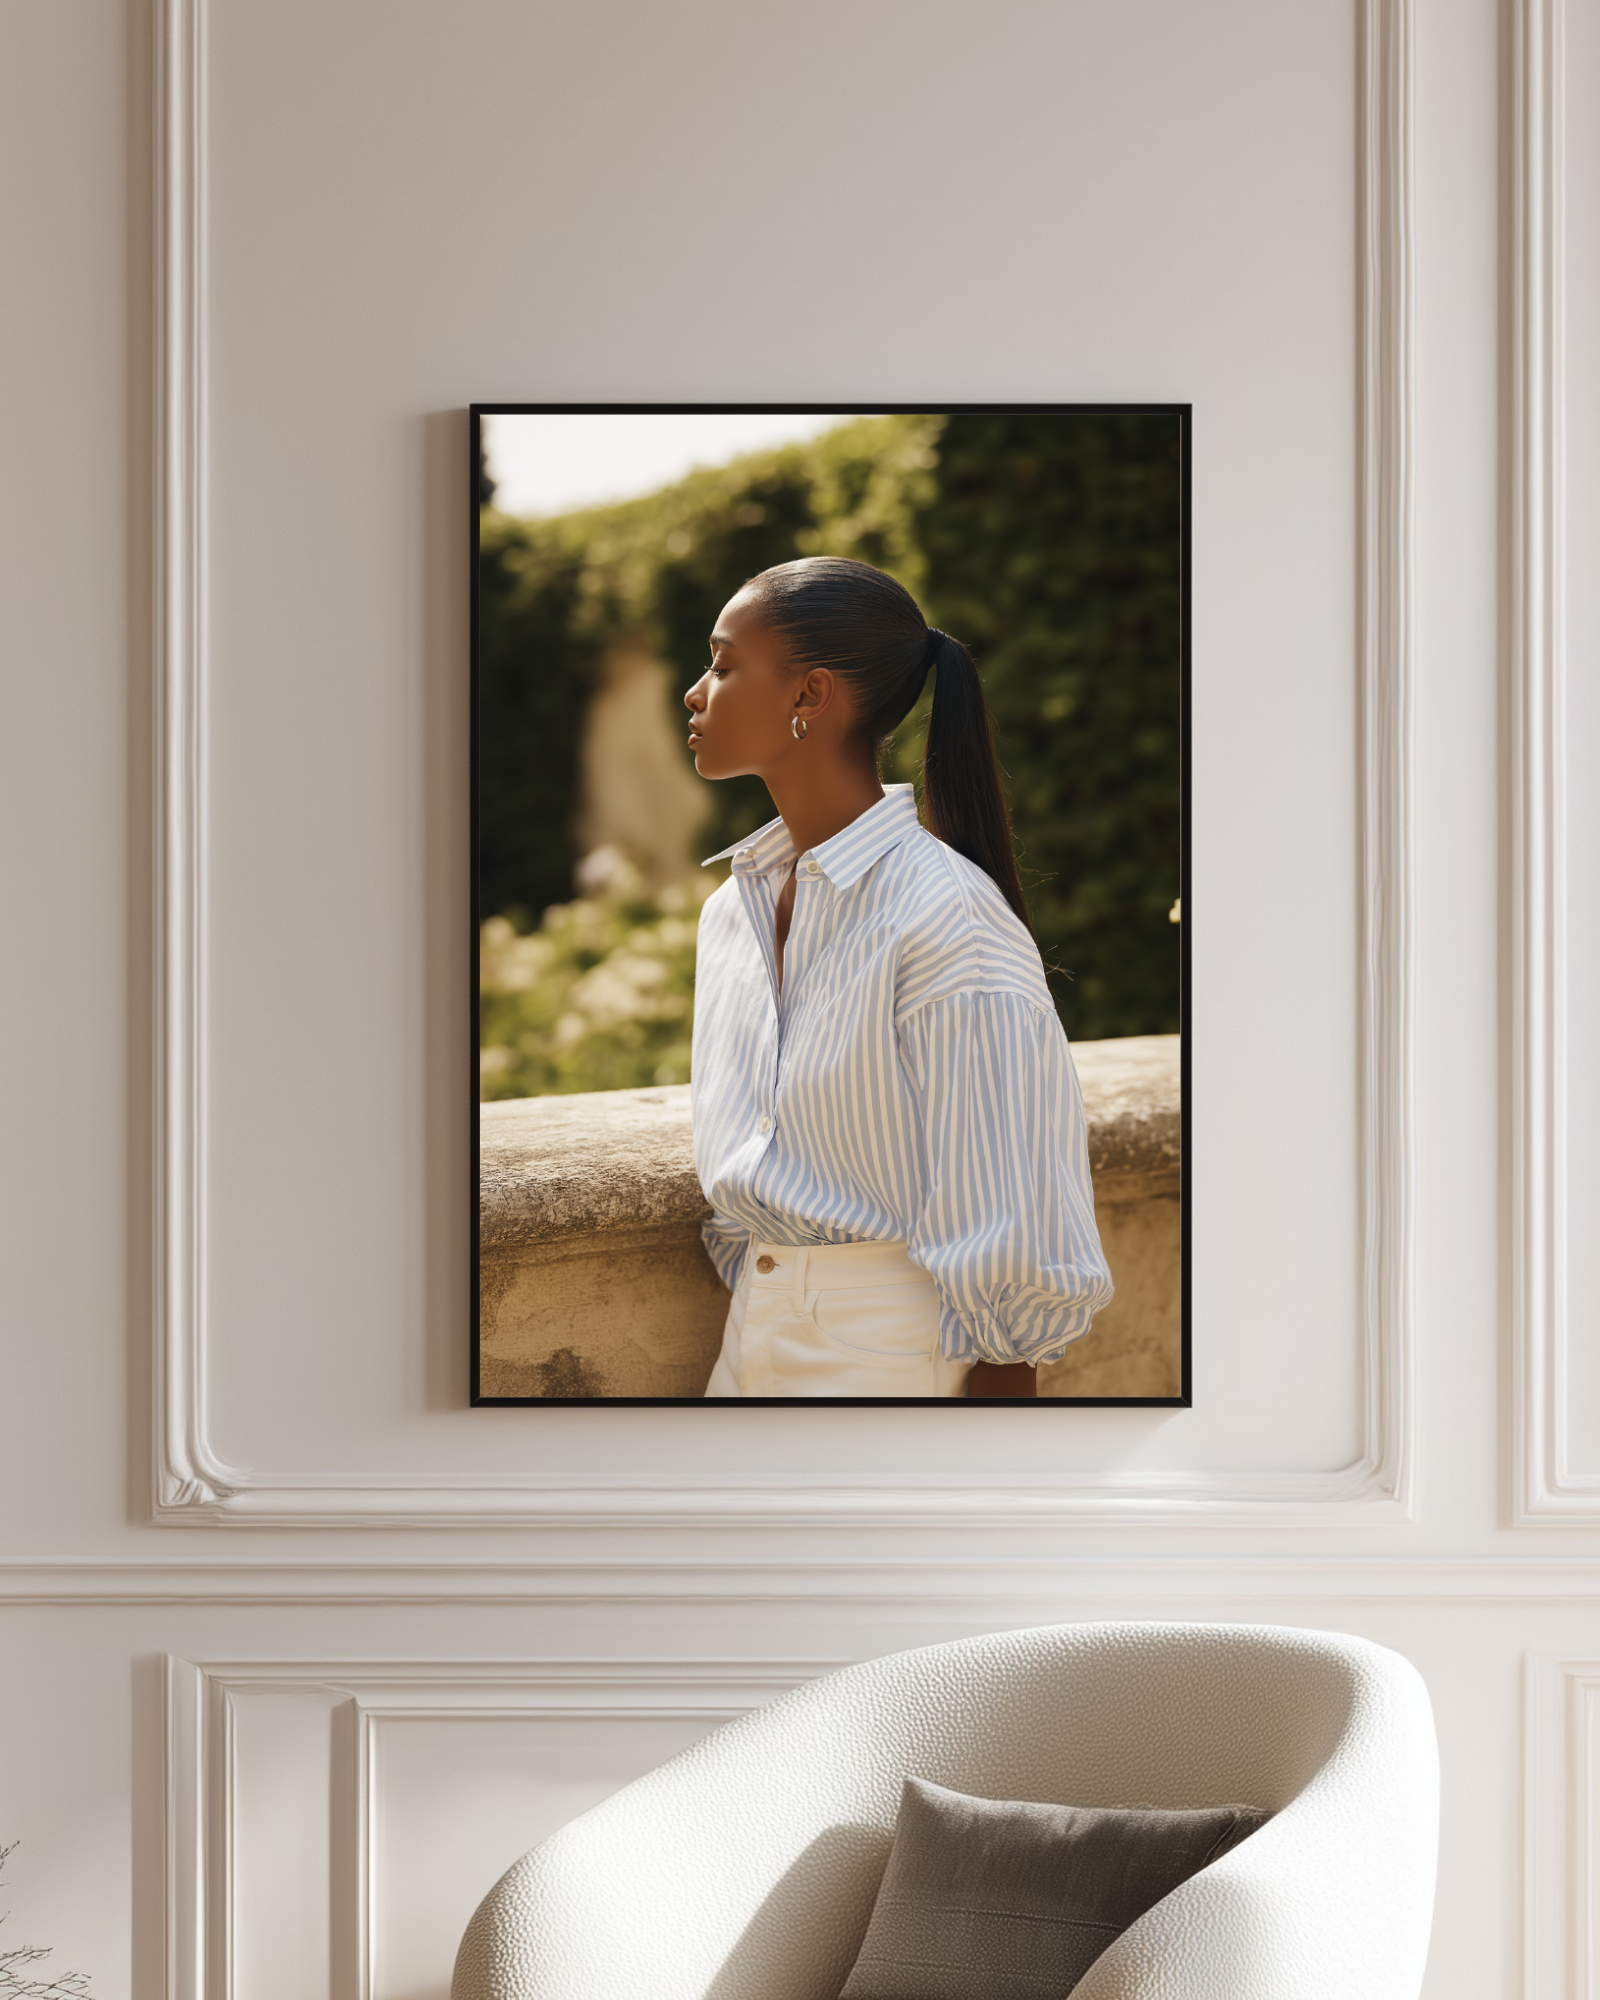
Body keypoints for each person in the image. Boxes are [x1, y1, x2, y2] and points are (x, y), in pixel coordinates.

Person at [684, 556, 1111, 1400]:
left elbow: (1011, 1184)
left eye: (724, 665)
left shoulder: (945, 912)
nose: (697, 692)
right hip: (749, 1335)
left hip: (900, 1349)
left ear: (808, 697)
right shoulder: (730, 913)